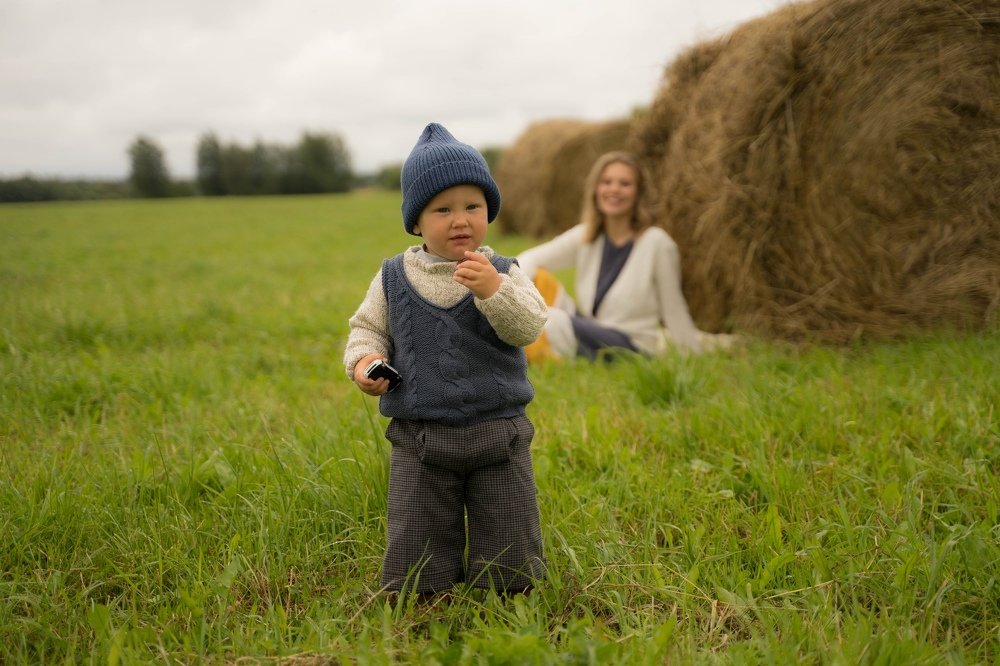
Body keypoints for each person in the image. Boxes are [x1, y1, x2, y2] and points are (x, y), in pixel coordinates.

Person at [344, 122, 548, 597]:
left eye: (473, 206)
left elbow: (529, 327)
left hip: (498, 433)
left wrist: (493, 292)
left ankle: (507, 593)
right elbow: (367, 328)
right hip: (421, 439)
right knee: (416, 545)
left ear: (489, 212)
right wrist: (365, 362)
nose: (461, 219)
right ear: (417, 221)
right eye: (443, 209)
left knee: (510, 547)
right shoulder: (394, 276)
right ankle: (425, 593)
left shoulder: (502, 271)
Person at [517, 150, 720, 362]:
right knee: (538, 278)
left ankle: (512, 356)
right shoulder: (587, 236)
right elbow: (528, 258)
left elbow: (674, 307)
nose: (614, 189)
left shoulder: (657, 243)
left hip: (630, 346)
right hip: (594, 328)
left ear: (638, 193)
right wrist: (507, 290)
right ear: (596, 189)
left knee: (549, 320)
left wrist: (691, 356)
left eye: (625, 184)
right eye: (606, 182)